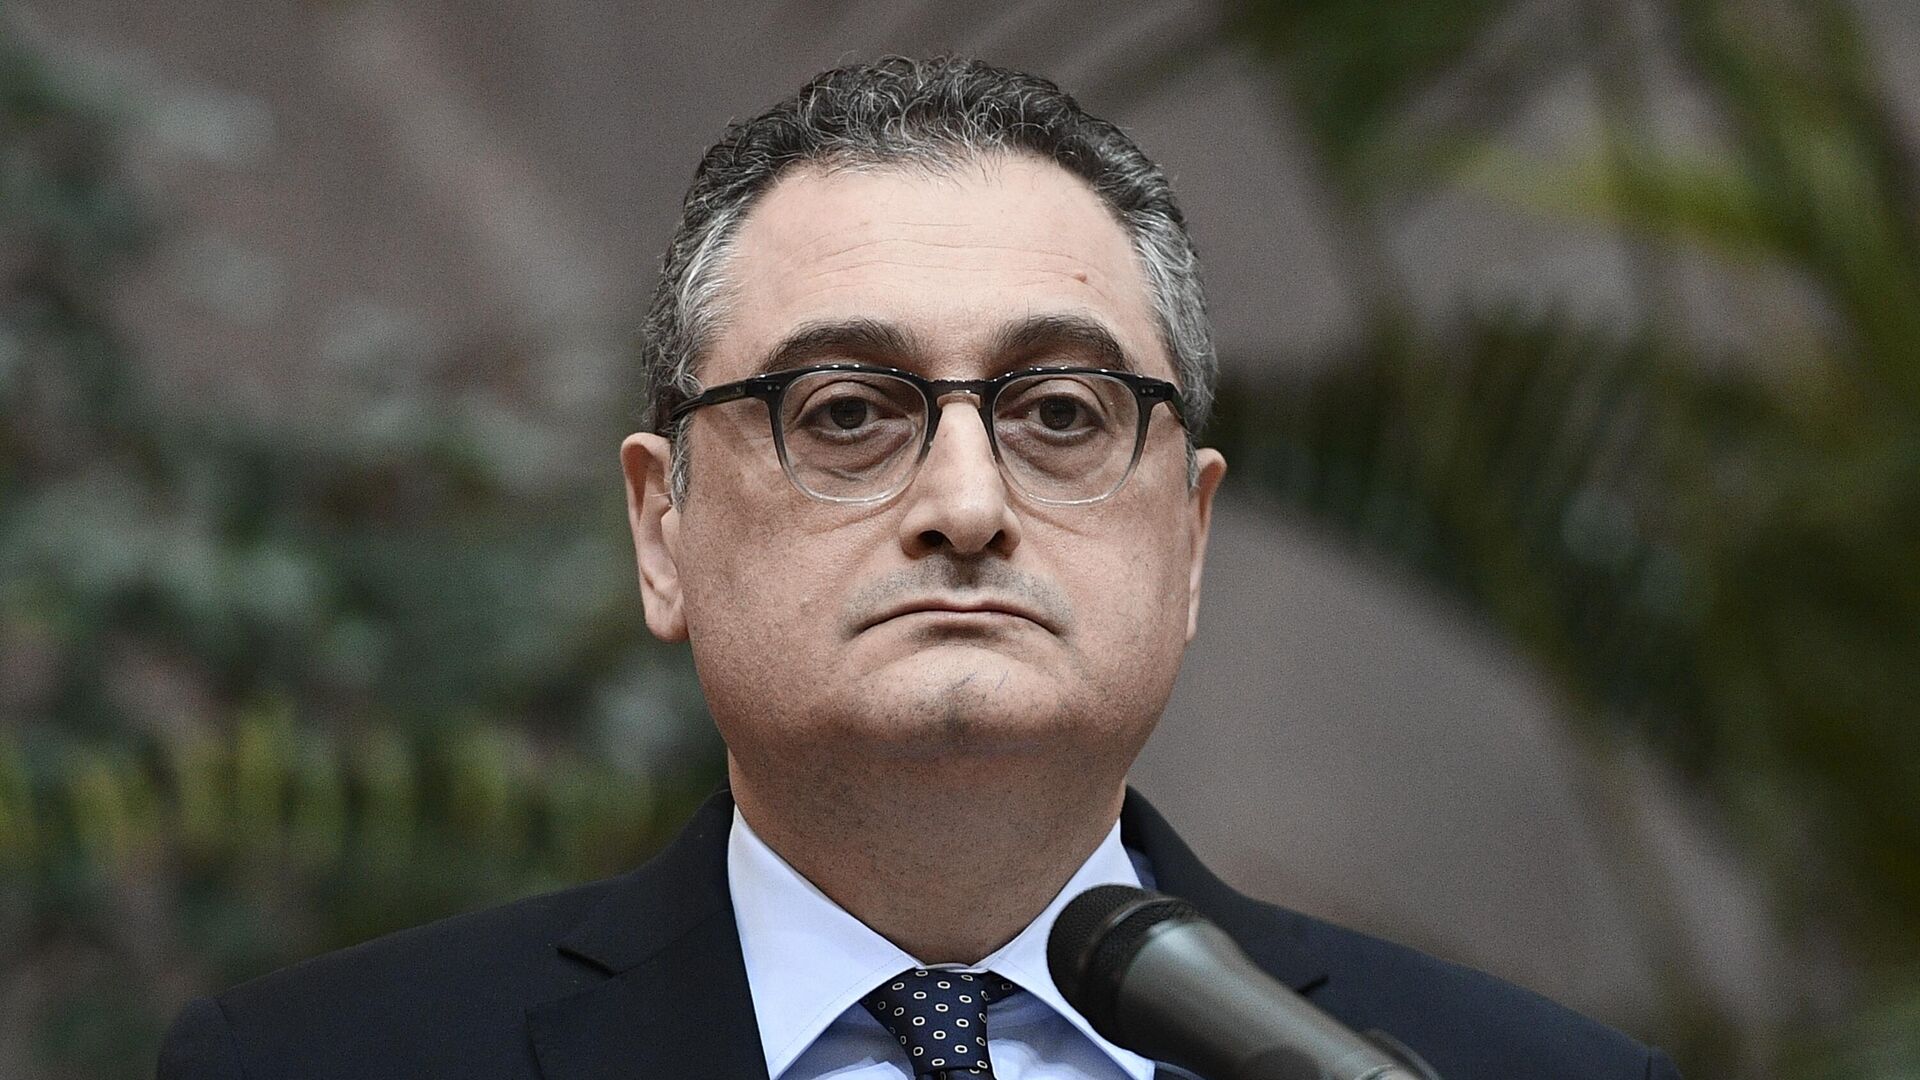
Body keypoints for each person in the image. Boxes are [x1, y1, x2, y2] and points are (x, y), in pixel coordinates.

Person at [158, 56, 1681, 1080]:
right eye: (845, 413)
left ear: (1191, 538)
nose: (966, 504)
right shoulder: (311, 1064)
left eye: (1062, 413)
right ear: (663, 528)